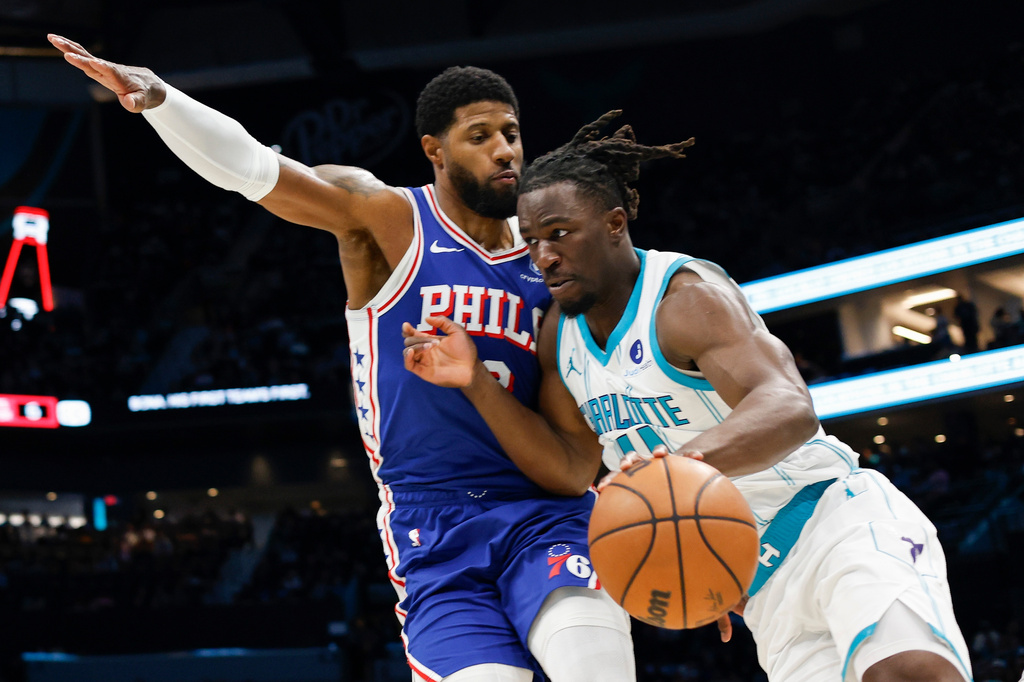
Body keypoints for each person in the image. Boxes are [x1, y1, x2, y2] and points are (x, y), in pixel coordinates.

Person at [50, 35, 635, 682]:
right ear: (434, 152)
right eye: (480, 135)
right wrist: (160, 99)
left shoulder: (550, 259)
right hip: (430, 524)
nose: (505, 149)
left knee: (595, 668)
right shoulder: (386, 219)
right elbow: (257, 171)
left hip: (543, 514)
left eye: (512, 132)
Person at [403, 112, 973, 682]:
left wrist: (676, 476)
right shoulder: (560, 334)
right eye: (532, 241)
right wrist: (476, 382)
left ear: (614, 224)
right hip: (759, 583)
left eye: (559, 233)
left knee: (907, 671)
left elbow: (789, 406)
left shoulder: (685, 299)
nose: (544, 256)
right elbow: (571, 469)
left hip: (835, 520)